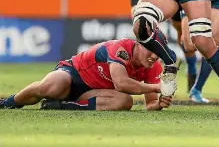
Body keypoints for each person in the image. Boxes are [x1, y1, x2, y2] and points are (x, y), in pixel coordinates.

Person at [0, 38, 171, 111]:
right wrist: (157, 87)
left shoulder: (152, 66)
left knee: (124, 101)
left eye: (159, 52)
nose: (155, 56)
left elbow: (150, 104)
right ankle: (9, 102)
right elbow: (121, 83)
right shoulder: (121, 49)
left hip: (94, 92)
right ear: (138, 45)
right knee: (50, 87)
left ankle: (63, 107)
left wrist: (159, 104)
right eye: (152, 50)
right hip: (74, 74)